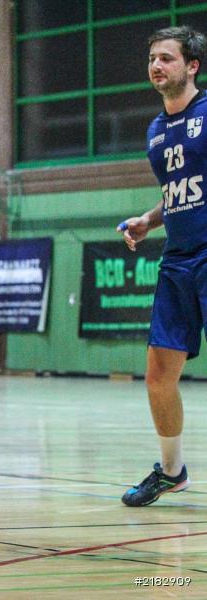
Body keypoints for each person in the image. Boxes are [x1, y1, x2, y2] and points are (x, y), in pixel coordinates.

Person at [118, 26, 207, 506]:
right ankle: (172, 472)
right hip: (178, 258)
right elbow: (177, 193)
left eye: (167, 58)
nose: (156, 66)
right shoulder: (155, 130)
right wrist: (150, 220)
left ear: (192, 66)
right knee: (158, 375)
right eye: (152, 58)